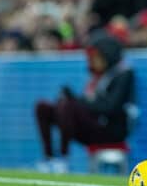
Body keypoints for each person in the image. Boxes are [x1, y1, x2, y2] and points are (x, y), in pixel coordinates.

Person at [34, 29, 136, 173]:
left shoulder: (124, 74)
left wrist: (75, 100)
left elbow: (110, 107)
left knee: (68, 105)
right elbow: (89, 102)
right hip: (93, 125)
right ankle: (49, 158)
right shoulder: (97, 76)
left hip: (111, 129)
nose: (92, 61)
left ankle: (63, 159)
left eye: (96, 57)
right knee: (43, 107)